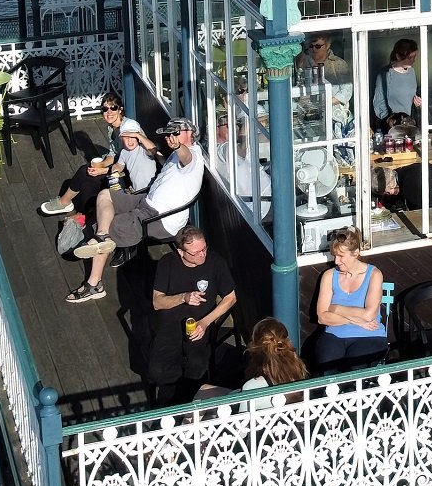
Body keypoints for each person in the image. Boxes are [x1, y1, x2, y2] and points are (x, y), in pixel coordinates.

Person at [66, 118, 207, 304]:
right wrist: (163, 153)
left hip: (159, 217)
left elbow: (185, 157)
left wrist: (178, 146)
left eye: (174, 133)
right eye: (168, 134)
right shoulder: (174, 157)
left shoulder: (193, 157)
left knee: (111, 225)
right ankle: (101, 237)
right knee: (105, 195)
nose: (169, 138)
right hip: (145, 200)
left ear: (189, 133)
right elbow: (168, 162)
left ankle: (94, 284)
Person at [146, 225, 238, 404]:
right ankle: (173, 401)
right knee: (158, 370)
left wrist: (205, 322)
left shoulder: (215, 262)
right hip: (170, 326)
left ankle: (185, 401)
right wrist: (184, 297)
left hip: (199, 326)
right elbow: (158, 302)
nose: (202, 254)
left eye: (204, 248)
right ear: (181, 252)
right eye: (195, 252)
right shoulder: (168, 263)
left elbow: (231, 298)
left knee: (197, 367)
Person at [38, 91, 160, 216]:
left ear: (120, 110)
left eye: (113, 107)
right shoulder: (111, 129)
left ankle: (65, 203)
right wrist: (101, 165)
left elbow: (146, 153)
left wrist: (103, 170)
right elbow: (113, 155)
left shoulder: (130, 129)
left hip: (129, 177)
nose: (109, 112)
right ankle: (78, 207)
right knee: (89, 174)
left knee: (85, 174)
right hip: (119, 167)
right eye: (105, 109)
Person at [310, 228, 388, 373]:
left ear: (355, 253)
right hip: (335, 334)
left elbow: (369, 315)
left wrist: (335, 308)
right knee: (326, 368)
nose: (336, 261)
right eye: (334, 256)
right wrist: (355, 320)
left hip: (369, 335)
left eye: (341, 256)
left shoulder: (373, 274)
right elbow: (322, 317)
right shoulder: (329, 276)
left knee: (354, 369)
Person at [200, 317, 309, 404]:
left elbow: (242, 428)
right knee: (205, 390)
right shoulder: (298, 369)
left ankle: (186, 430)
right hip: (287, 420)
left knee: (203, 397)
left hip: (262, 426)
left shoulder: (252, 386)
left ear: (254, 347)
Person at [295, 34, 355, 132]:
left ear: (327, 45)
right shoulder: (304, 63)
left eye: (318, 46)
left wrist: (324, 104)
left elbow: (346, 91)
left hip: (335, 117)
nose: (314, 49)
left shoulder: (338, 64)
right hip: (310, 118)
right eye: (311, 46)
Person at [372, 38, 421, 128]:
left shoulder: (411, 72)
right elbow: (379, 103)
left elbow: (412, 95)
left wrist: (418, 103)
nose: (413, 60)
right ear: (398, 56)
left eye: (414, 57)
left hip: (410, 123)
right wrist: (390, 120)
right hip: (393, 125)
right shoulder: (384, 74)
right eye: (410, 58)